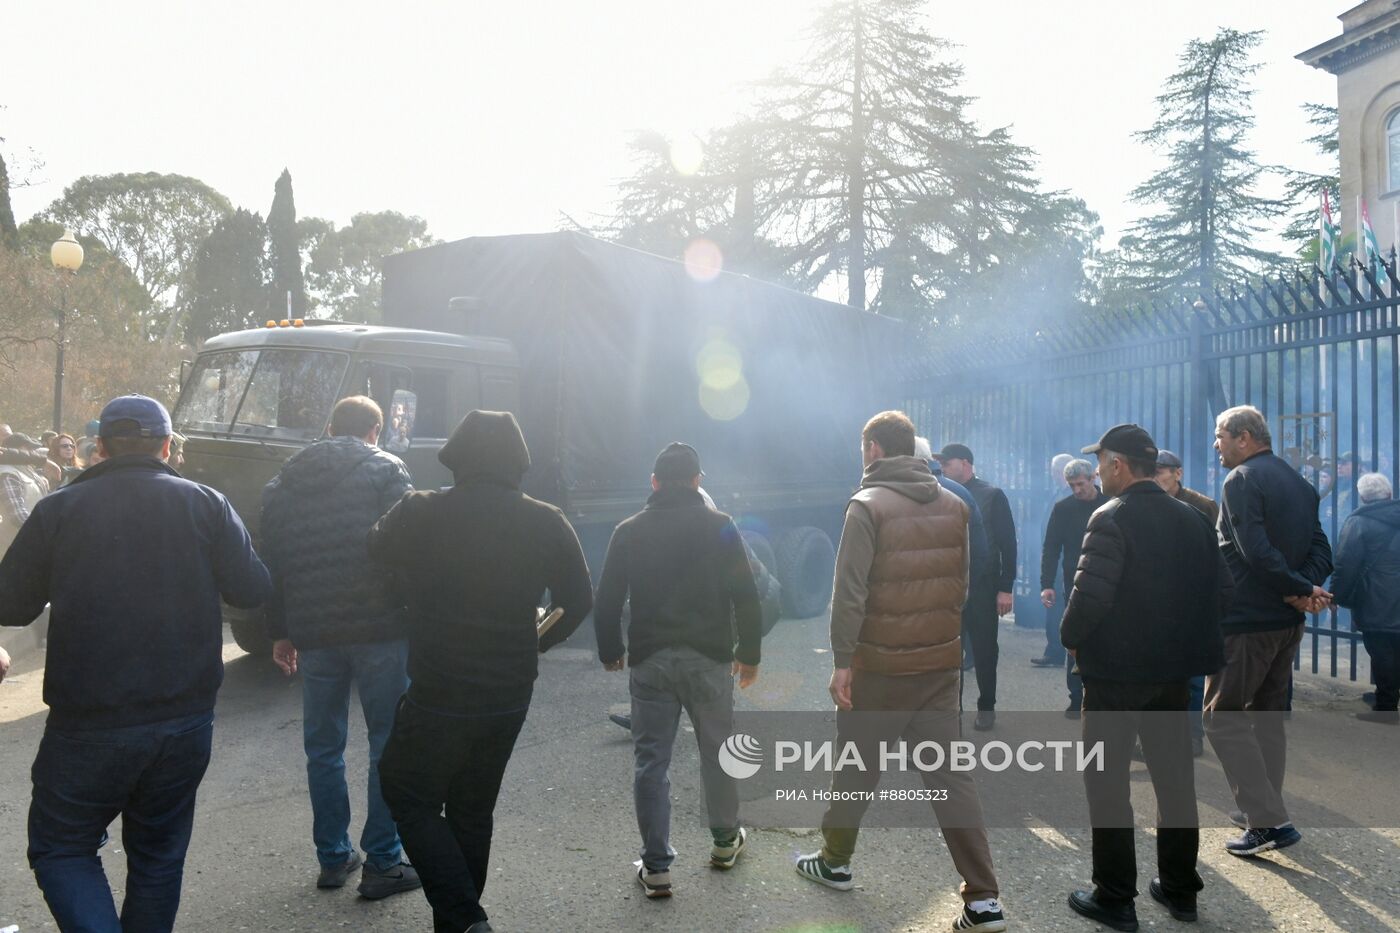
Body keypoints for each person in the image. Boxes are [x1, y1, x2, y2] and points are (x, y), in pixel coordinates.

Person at [0, 394, 270, 932]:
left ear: (98, 447)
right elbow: (253, 588)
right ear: (167, 447)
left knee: (63, 848)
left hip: (88, 722)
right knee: (158, 856)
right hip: (184, 719)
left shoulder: (59, 509)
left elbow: (11, 603)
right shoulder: (206, 504)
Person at [368, 410, 593, 933]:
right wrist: (534, 642)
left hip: (439, 689)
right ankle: (458, 924)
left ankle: (466, 918)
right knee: (472, 807)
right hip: (510, 691)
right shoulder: (546, 519)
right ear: (519, 462)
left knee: (405, 791)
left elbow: (374, 546)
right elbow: (578, 601)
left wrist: (406, 595)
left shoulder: (421, 509)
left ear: (455, 459)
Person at [796, 412, 1007, 933]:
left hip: (881, 666)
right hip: (938, 663)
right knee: (949, 778)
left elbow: (849, 593)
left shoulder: (866, 506)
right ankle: (983, 900)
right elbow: (962, 583)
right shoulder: (955, 502)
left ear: (872, 448)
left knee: (856, 767)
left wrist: (843, 661)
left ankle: (836, 861)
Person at [1060, 424, 1228, 932]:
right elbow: (1222, 591)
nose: (1096, 471)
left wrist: (1070, 638)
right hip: (1173, 675)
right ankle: (1179, 889)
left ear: (1117, 465)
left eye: (1101, 462)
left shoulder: (1109, 517)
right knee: (1175, 781)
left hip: (1115, 677)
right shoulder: (1193, 518)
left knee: (1107, 783)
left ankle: (1114, 896)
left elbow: (1089, 598)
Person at [260, 396, 421, 898]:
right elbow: (411, 543)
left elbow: (272, 562)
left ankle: (333, 857)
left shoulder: (283, 482)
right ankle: (383, 862)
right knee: (387, 741)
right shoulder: (386, 469)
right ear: (375, 430)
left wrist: (280, 631)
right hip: (381, 629)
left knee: (323, 746)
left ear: (330, 428)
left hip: (314, 632)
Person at [594, 443, 762, 898]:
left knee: (651, 762)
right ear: (697, 481)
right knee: (718, 752)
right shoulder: (720, 525)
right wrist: (749, 653)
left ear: (653, 483)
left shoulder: (628, 530)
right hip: (709, 660)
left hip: (651, 662)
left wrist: (611, 649)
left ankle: (657, 867)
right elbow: (746, 594)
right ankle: (726, 843)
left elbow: (607, 597)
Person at [1208, 405, 1333, 858]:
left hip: (1247, 622)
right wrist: (1304, 590)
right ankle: (1264, 810)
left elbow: (1253, 551)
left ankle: (1267, 820)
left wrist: (1299, 588)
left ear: (1244, 437)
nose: (1216, 445)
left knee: (1220, 717)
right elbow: (1322, 546)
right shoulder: (1297, 481)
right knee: (1266, 718)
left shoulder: (1241, 479)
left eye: (1220, 435)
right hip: (1285, 623)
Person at [937, 442, 1016, 731]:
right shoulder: (942, 494)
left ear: (966, 463)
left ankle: (986, 707)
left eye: (948, 463)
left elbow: (1008, 544)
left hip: (984, 587)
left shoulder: (992, 495)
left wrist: (1006, 588)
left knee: (984, 650)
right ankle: (952, 710)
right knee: (949, 652)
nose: (943, 468)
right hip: (952, 587)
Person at [1154, 449, 1219, 755]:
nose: (1155, 477)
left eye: (1161, 471)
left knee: (1192, 677)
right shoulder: (1146, 504)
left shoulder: (1202, 506)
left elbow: (1216, 555)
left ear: (1177, 473)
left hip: (1192, 600)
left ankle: (1193, 735)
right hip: (1156, 601)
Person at [1038, 458, 1106, 718]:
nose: (1077, 490)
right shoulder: (1063, 508)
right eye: (1072, 485)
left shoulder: (1109, 504)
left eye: (1080, 484)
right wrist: (1046, 584)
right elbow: (1051, 547)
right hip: (1074, 583)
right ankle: (1076, 697)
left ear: (1093, 479)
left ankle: (1100, 694)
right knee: (1074, 638)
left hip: (1105, 582)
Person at [1331, 472, 1400, 724]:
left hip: (1375, 597)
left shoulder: (1358, 522)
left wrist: (1335, 595)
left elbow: (1346, 564)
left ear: (1361, 497)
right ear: (1389, 494)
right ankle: (1388, 694)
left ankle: (1386, 707)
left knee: (1381, 650)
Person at [1031, 453, 1076, 668]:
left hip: (1061, 561)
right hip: (1056, 558)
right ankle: (1055, 650)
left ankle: (1057, 650)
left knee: (1057, 605)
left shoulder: (1067, 495)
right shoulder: (1061, 493)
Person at [0, 433, 50, 561]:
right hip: (13, 549)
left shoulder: (28, 471)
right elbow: (17, 515)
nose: (34, 452)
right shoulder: (7, 474)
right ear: (18, 450)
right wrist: (46, 531)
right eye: (29, 448)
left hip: (29, 545)